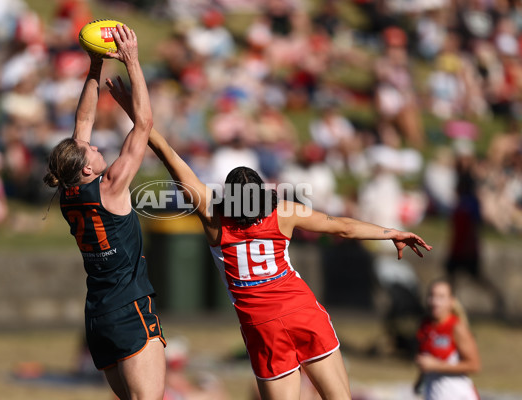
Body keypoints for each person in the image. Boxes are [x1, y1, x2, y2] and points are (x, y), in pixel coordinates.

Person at [108, 77, 433, 400]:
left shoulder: (213, 214)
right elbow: (344, 227)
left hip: (262, 326)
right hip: (303, 310)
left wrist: (139, 118)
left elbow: (169, 156)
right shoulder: (283, 212)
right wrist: (392, 233)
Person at [42, 24, 165, 400]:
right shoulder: (110, 185)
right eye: (92, 151)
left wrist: (94, 65)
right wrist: (132, 61)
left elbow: (82, 123)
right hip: (129, 308)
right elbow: (143, 124)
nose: (95, 145)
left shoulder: (68, 192)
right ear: (86, 169)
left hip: (97, 317)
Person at [414, 279, 481, 400]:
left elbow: (474, 365)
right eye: (432, 296)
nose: (435, 302)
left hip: (458, 395)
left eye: (441, 297)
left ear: (451, 301)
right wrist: (419, 381)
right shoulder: (425, 326)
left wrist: (436, 366)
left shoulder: (457, 327)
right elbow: (426, 361)